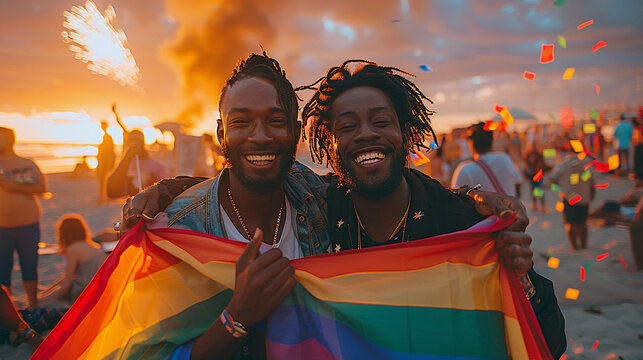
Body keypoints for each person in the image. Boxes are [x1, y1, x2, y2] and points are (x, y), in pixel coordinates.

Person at [121, 55, 563, 358]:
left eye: (381, 122)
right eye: (348, 126)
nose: (367, 134)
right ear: (332, 146)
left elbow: (547, 340)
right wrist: (163, 190)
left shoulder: (454, 218)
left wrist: (514, 266)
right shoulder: (314, 201)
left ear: (405, 133)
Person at [0, 127, 46, 310]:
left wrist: (12, 185)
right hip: (2, 228)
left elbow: (41, 186)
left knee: (29, 267)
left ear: (9, 140)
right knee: (3, 270)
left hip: (28, 225)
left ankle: (32, 306)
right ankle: (7, 311)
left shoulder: (25, 163)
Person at [39, 214, 107, 305]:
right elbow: (68, 276)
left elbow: (66, 286)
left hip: (87, 292)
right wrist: (48, 290)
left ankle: (37, 304)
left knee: (57, 294)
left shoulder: (73, 249)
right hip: (101, 289)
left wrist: (47, 299)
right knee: (63, 287)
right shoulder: (93, 246)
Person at [451, 122, 523, 197]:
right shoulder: (505, 159)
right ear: (492, 141)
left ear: (471, 143)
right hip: (508, 208)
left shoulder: (465, 170)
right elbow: (518, 183)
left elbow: (456, 199)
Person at [550, 148, 595, 251]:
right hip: (584, 196)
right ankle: (583, 245)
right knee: (582, 222)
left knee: (570, 222)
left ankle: (574, 247)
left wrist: (562, 188)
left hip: (569, 197)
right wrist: (591, 195)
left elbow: (553, 178)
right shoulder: (586, 161)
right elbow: (592, 181)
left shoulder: (564, 162)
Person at [106, 129, 169, 198]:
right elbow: (111, 192)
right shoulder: (124, 166)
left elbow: (167, 190)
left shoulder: (157, 166)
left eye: (138, 142)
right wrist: (127, 157)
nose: (134, 145)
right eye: (131, 141)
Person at [524, 143, 547, 212]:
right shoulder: (527, 154)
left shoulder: (539, 155)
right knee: (533, 189)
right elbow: (526, 164)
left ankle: (542, 205)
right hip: (532, 174)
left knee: (539, 189)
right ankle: (535, 204)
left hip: (538, 174)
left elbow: (542, 164)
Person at [97, 120, 115, 204]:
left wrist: (110, 164)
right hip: (102, 162)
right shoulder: (103, 137)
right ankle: (102, 198)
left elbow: (111, 152)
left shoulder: (108, 137)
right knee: (102, 180)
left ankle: (105, 198)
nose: (102, 127)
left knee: (106, 181)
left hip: (107, 163)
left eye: (103, 126)